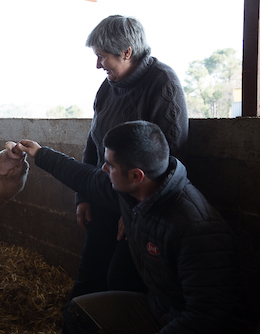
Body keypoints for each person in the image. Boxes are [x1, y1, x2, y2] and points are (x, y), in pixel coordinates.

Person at [15, 121, 247, 333]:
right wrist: (40, 154)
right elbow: (84, 176)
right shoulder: (134, 193)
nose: (104, 169)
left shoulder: (197, 229)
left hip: (189, 322)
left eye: (110, 165)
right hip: (157, 306)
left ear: (136, 175)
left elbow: (205, 316)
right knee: (79, 312)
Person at [73, 14, 189, 308]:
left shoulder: (162, 84)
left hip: (141, 205)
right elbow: (94, 140)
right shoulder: (107, 88)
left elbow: (169, 155)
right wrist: (84, 194)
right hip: (104, 195)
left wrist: (139, 210)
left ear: (127, 52)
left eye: (103, 57)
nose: (98, 65)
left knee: (121, 278)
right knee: (90, 269)